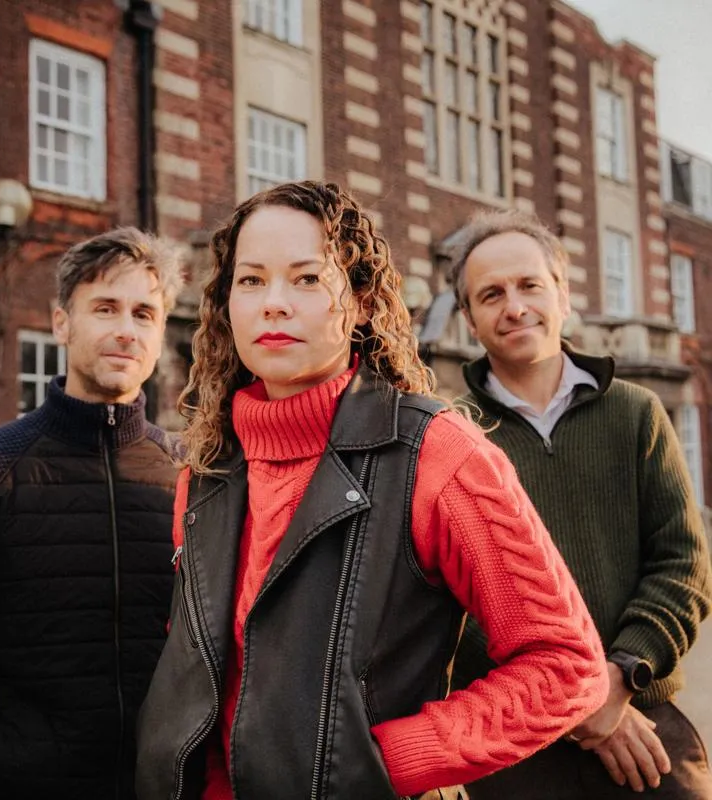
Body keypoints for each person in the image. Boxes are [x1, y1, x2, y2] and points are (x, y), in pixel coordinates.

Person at [135, 181, 609, 800]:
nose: (274, 303)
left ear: (359, 301)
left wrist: (387, 760)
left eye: (307, 279)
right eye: (250, 281)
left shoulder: (439, 455)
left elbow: (565, 666)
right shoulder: (206, 467)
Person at [0, 227, 185, 800]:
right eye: (105, 308)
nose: (125, 331)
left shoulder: (189, 474)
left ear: (160, 334)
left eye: (144, 313)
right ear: (63, 322)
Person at [447, 210, 712, 799]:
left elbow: (683, 568)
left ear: (563, 293)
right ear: (468, 319)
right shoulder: (448, 437)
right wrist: (568, 705)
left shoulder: (636, 413)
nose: (514, 306)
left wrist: (617, 680)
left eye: (529, 285)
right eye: (491, 294)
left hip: (648, 728)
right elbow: (450, 606)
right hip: (521, 750)